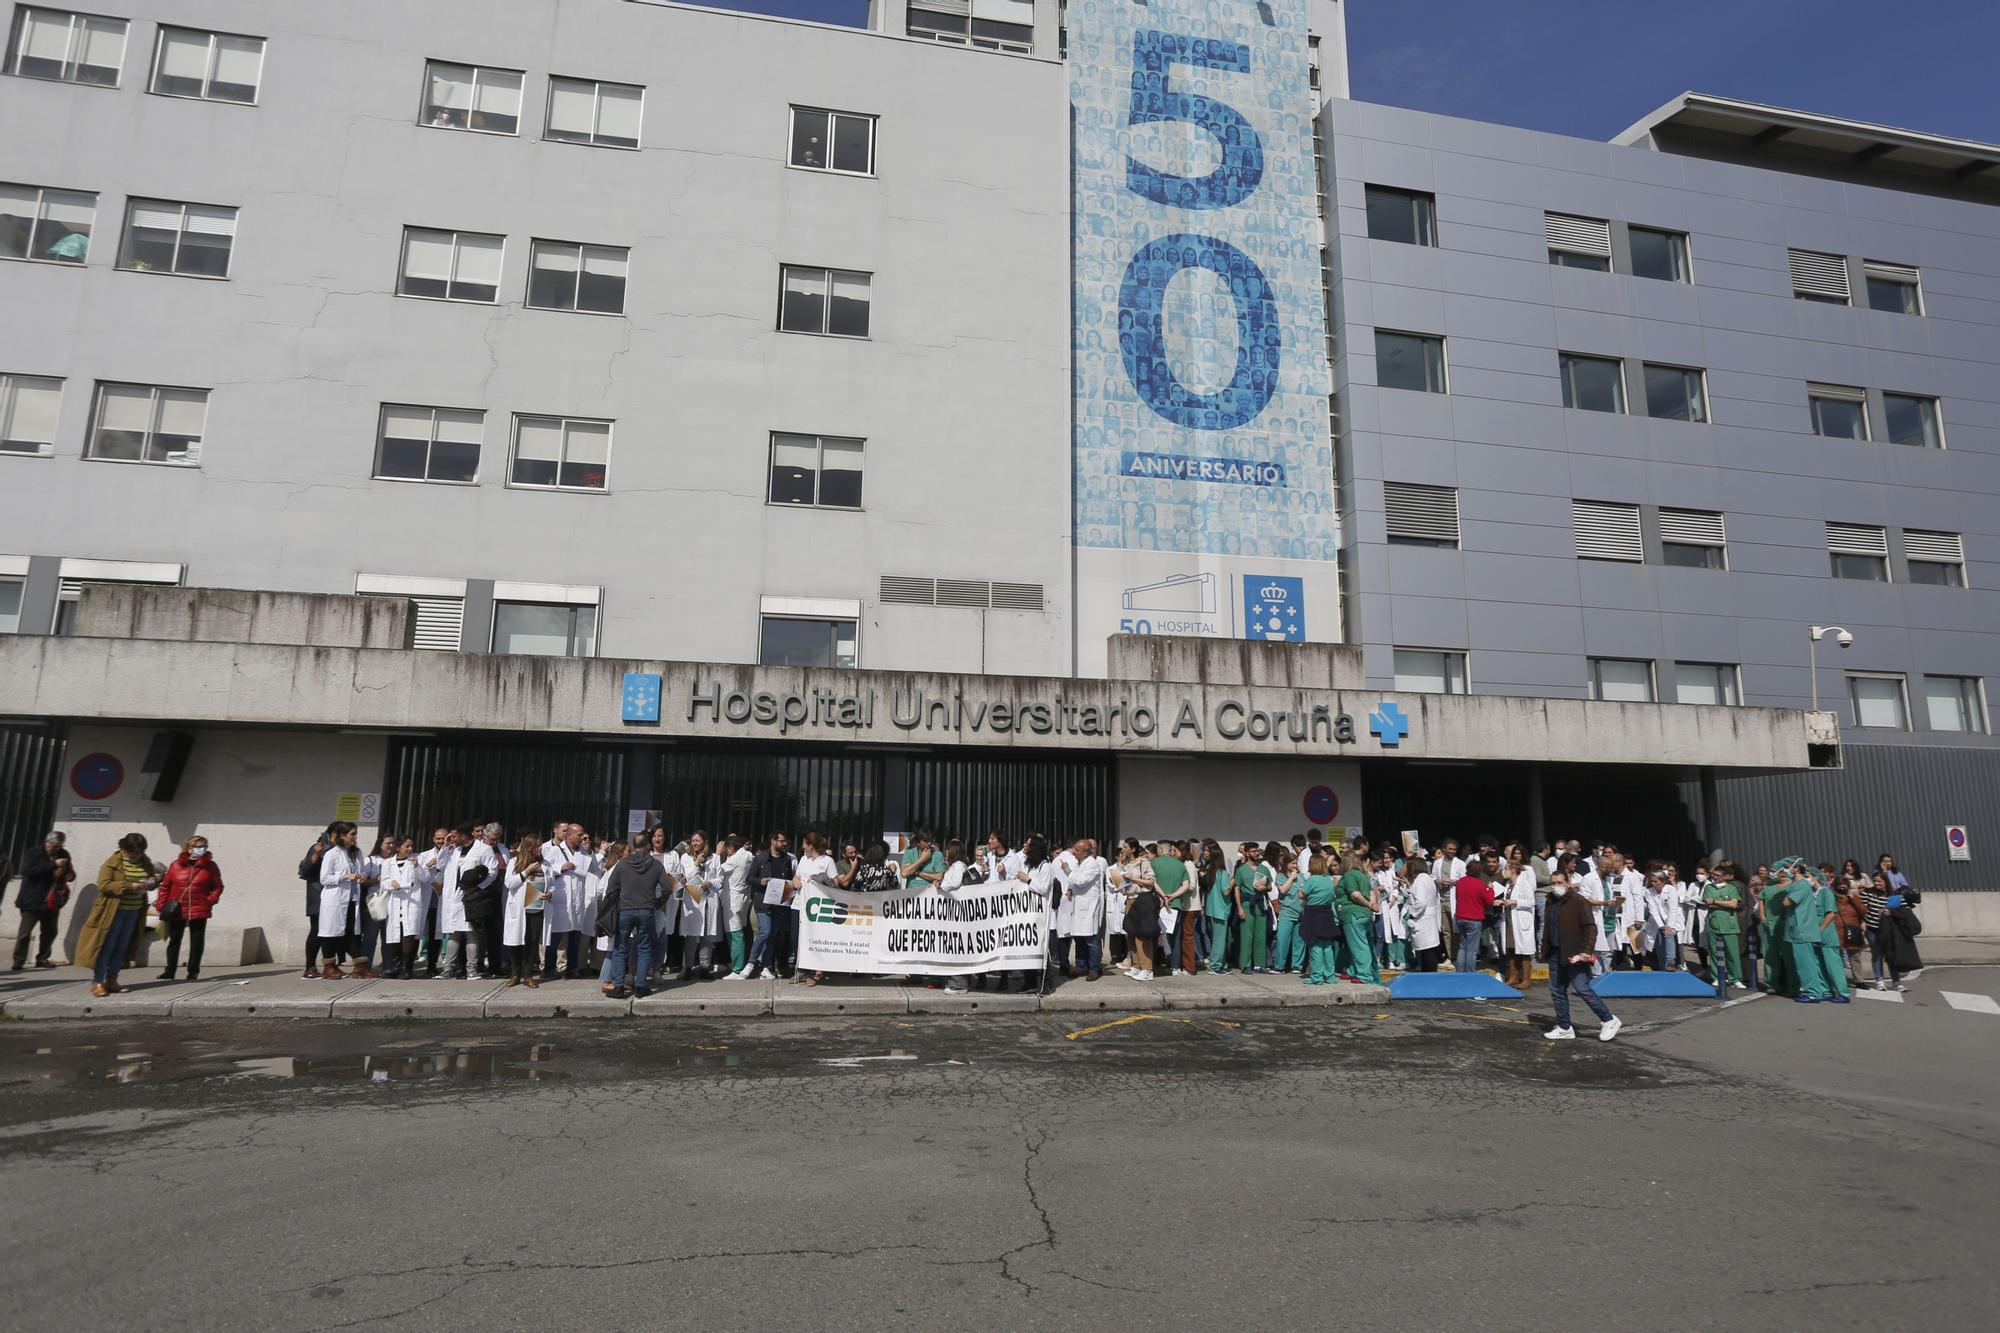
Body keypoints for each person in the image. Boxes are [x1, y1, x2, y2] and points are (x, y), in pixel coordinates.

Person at [75, 834, 158, 997]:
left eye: (139, 851)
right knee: (107, 946)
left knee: (122, 947)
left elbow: (150, 878)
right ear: (124, 848)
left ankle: (112, 980)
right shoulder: (112, 863)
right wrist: (129, 886)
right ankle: (98, 981)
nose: (136, 855)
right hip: (113, 911)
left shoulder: (144, 862)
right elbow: (104, 885)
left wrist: (152, 881)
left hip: (134, 910)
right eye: (132, 851)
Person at [1543, 869, 1621, 1041]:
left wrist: (1586, 951)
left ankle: (1608, 1019)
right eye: (1553, 883)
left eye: (1560, 882)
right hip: (1556, 952)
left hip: (1575, 952)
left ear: (1567, 882)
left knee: (1582, 988)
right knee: (1557, 990)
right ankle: (1564, 1026)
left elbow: (1590, 927)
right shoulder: (1550, 901)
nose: (1556, 886)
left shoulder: (1579, 901)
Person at [153, 834, 225, 982]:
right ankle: (169, 971)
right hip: (177, 908)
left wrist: (209, 900)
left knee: (197, 941)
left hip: (199, 907)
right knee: (174, 941)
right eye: (198, 846)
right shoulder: (175, 865)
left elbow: (218, 886)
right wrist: (161, 904)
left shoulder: (210, 866)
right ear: (189, 848)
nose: (202, 849)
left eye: (204, 846)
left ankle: (193, 972)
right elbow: (165, 886)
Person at [603, 839, 669, 999]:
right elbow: (667, 889)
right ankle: (641, 985)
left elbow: (611, 889)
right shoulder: (656, 865)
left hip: (625, 909)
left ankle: (618, 986)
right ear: (648, 846)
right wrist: (658, 903)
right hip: (647, 910)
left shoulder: (623, 864)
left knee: (620, 948)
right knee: (644, 947)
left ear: (633, 847)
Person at [11, 832, 74, 972]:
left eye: (59, 846)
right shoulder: (33, 853)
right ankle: (19, 960)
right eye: (54, 845)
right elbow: (28, 871)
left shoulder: (64, 854)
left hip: (53, 899)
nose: (56, 848)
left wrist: (69, 874)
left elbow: (70, 872)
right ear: (47, 841)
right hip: (32, 898)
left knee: (50, 931)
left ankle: (43, 958)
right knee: (25, 933)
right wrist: (53, 865)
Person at [540, 823, 595, 980]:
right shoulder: (555, 851)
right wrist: (561, 867)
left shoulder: (583, 852)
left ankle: (572, 968)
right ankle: (549, 968)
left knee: (574, 937)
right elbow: (545, 869)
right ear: (569, 834)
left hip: (577, 900)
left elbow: (592, 869)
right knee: (555, 937)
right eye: (579, 835)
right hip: (560, 899)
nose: (583, 838)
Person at [737, 831, 794, 981]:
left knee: (773, 935)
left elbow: (788, 878)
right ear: (773, 841)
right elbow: (749, 878)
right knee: (765, 931)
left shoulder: (786, 859)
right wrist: (759, 881)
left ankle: (766, 967)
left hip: (779, 901)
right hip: (763, 901)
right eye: (781, 841)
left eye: (784, 841)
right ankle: (751, 963)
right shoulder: (760, 858)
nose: (784, 844)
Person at [672, 830, 724, 981]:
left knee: (706, 937)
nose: (694, 843)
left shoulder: (714, 858)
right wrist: (696, 863)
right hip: (693, 901)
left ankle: (704, 968)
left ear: (705, 842)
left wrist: (711, 882)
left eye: (698, 841)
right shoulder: (686, 858)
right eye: (693, 841)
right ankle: (687, 967)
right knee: (691, 936)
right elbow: (685, 879)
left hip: (709, 899)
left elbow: (720, 878)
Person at [791, 832, 838, 986]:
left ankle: (812, 972)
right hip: (798, 903)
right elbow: (796, 876)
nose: (802, 847)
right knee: (797, 938)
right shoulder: (803, 859)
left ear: (811, 845)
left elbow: (835, 883)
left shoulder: (827, 861)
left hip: (816, 908)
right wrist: (796, 880)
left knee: (812, 938)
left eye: (805, 844)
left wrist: (818, 880)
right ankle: (800, 971)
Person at [1057, 838, 1107, 981]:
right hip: (1078, 906)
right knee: (1079, 938)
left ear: (1085, 853)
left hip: (1088, 907)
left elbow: (1081, 880)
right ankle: (1080, 965)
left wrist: (1067, 871)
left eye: (1077, 850)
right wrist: (1070, 889)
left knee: (1091, 939)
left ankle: (1094, 968)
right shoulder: (1081, 862)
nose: (1073, 853)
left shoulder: (1092, 864)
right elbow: (1076, 882)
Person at [501, 835, 547, 988]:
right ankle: (515, 974)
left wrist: (550, 892)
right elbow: (509, 883)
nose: (540, 848)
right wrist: (526, 872)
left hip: (536, 904)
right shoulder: (514, 862)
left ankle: (528, 975)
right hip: (519, 907)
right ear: (529, 848)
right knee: (516, 941)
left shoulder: (545, 864)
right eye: (537, 846)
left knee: (532, 941)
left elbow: (551, 882)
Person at [379, 836, 427, 978]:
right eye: (407, 846)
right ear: (398, 847)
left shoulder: (417, 859)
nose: (410, 849)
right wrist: (391, 885)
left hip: (412, 902)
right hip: (395, 902)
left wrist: (417, 866)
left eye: (412, 846)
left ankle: (407, 967)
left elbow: (426, 878)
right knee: (396, 935)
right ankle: (397, 966)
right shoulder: (388, 863)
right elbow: (384, 882)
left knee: (409, 934)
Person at [1333, 850, 1380, 984]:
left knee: (1359, 946)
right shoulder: (1363, 875)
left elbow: (1355, 894)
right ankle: (1353, 970)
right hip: (1364, 915)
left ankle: (1364, 975)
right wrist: (1373, 905)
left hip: (1353, 914)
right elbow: (1372, 892)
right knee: (1358, 944)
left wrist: (1369, 904)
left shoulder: (1348, 876)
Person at [1704, 863, 1747, 994]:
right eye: (1713, 875)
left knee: (1732, 953)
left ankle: (1735, 978)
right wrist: (1724, 903)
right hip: (1714, 923)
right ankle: (1717, 977)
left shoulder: (1732, 888)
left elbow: (1734, 904)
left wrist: (1716, 902)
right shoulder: (1709, 888)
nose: (1714, 877)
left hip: (1729, 925)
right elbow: (1707, 902)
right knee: (1714, 952)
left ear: (1724, 876)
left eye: (1717, 875)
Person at [1299, 853, 1342, 984]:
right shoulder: (1328, 879)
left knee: (1315, 945)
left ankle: (1317, 976)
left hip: (1313, 913)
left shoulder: (1312, 879)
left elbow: (1302, 894)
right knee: (1327, 946)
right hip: (1327, 913)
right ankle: (1329, 976)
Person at [1232, 842, 1272, 974]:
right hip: (1247, 903)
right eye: (1254, 851)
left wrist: (1265, 888)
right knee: (1246, 935)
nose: (1257, 853)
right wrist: (1239, 908)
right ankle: (1246, 964)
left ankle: (1259, 964)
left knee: (1260, 935)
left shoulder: (1263, 869)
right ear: (1247, 853)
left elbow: (1270, 886)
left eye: (1258, 851)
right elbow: (1236, 888)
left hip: (1260, 903)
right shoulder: (1241, 870)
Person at [719, 834, 756, 976]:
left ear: (731, 848)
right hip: (742, 897)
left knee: (735, 933)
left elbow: (718, 869)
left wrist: (717, 854)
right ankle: (738, 963)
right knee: (739, 931)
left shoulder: (735, 859)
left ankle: (737, 968)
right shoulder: (749, 856)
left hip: (733, 899)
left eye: (727, 849)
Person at [1120, 852, 1160, 982]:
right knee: (1130, 933)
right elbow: (1124, 886)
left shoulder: (1144, 863)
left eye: (1126, 848)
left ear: (1133, 849)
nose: (1123, 851)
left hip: (1142, 899)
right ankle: (1136, 965)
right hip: (1130, 899)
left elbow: (1151, 882)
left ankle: (1147, 969)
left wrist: (1133, 879)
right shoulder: (1126, 865)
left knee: (1142, 935)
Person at [1451, 857, 1494, 975]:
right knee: (1471, 949)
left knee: (1462, 947)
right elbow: (1489, 901)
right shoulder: (1479, 884)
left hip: (1460, 917)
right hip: (1474, 918)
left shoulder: (1460, 882)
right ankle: (1470, 973)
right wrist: (1490, 889)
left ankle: (1460, 972)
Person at [1502, 845, 1537, 988]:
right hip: (1510, 920)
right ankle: (1513, 977)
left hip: (1521, 921)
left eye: (1506, 869)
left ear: (1513, 870)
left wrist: (1515, 902)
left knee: (1524, 951)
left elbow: (1531, 902)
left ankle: (1526, 979)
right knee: (1512, 949)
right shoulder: (1509, 885)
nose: (1503, 872)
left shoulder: (1525, 884)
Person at [1401, 855, 1443, 972]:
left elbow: (1420, 902)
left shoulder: (1420, 881)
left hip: (1422, 919)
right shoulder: (1428, 879)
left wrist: (1412, 914)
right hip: (1429, 919)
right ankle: (1429, 974)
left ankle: (1428, 975)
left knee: (1426, 951)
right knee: (1429, 949)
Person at [1270, 848, 1305, 973]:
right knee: (1282, 939)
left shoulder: (1301, 876)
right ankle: (1280, 966)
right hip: (1287, 912)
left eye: (1296, 863)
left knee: (1299, 941)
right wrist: (1291, 878)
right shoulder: (1280, 876)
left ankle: (1297, 966)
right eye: (1292, 863)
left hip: (1300, 912)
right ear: (1286, 864)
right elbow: (1283, 890)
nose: (1295, 866)